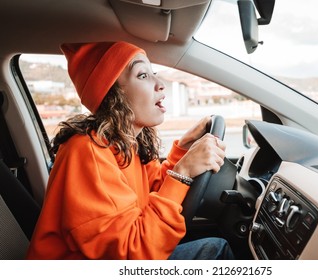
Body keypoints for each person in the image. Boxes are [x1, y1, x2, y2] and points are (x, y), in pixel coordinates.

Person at [26, 41, 235, 260]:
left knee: (213, 248)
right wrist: (183, 171)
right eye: (143, 75)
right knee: (216, 251)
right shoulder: (87, 150)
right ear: (112, 94)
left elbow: (158, 190)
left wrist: (182, 150)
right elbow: (130, 257)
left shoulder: (127, 144)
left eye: (153, 73)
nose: (161, 84)